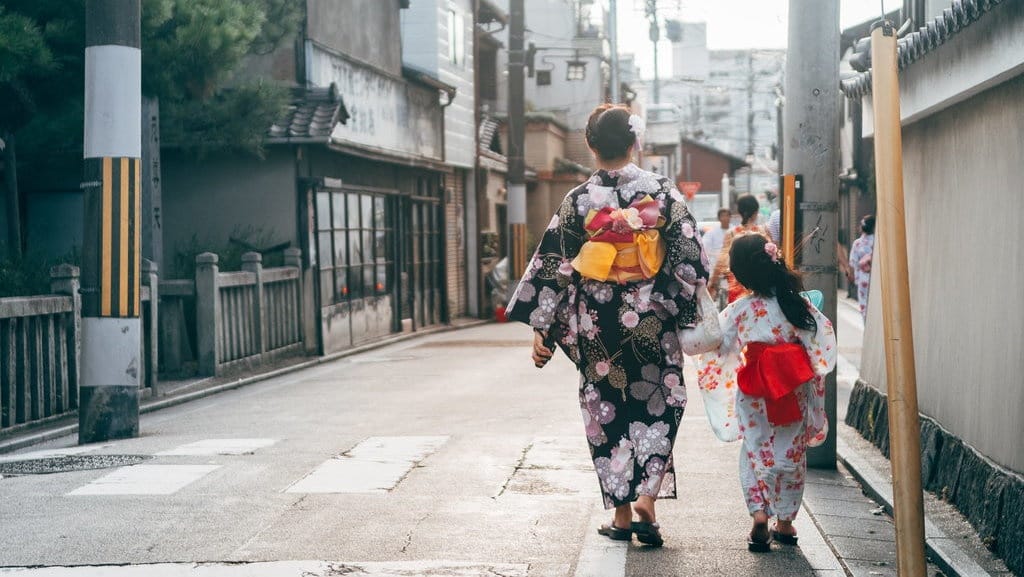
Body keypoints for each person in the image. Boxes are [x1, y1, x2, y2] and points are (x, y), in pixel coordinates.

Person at [506, 103, 710, 548]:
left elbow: (555, 266)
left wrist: (544, 327)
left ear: (591, 145)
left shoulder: (579, 200)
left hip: (598, 325)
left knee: (606, 410)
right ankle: (647, 501)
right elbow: (691, 258)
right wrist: (671, 303)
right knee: (660, 402)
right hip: (651, 317)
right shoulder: (661, 191)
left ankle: (621, 514)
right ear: (635, 141)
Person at [697, 234, 837, 552]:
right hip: (792, 386)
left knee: (755, 448)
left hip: (755, 389)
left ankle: (760, 513)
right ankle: (785, 523)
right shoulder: (796, 305)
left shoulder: (740, 309)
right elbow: (821, 341)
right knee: (791, 452)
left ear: (741, 274)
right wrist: (810, 373)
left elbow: (716, 343)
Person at [709, 194, 768, 304]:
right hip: (759, 284)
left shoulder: (731, 233)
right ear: (756, 212)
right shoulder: (762, 232)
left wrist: (712, 283)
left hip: (736, 285)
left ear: (739, 212)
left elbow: (721, 262)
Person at [849, 214, 875, 320]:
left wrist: (852, 274)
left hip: (862, 278)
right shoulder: (877, 241)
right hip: (876, 278)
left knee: (864, 306)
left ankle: (867, 326)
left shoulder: (857, 243)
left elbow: (853, 262)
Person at [702, 208, 731, 272]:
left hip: (731, 264)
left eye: (727, 216)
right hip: (716, 265)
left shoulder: (734, 230)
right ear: (719, 218)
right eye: (723, 216)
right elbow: (705, 248)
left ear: (730, 217)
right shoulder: (712, 232)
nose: (725, 218)